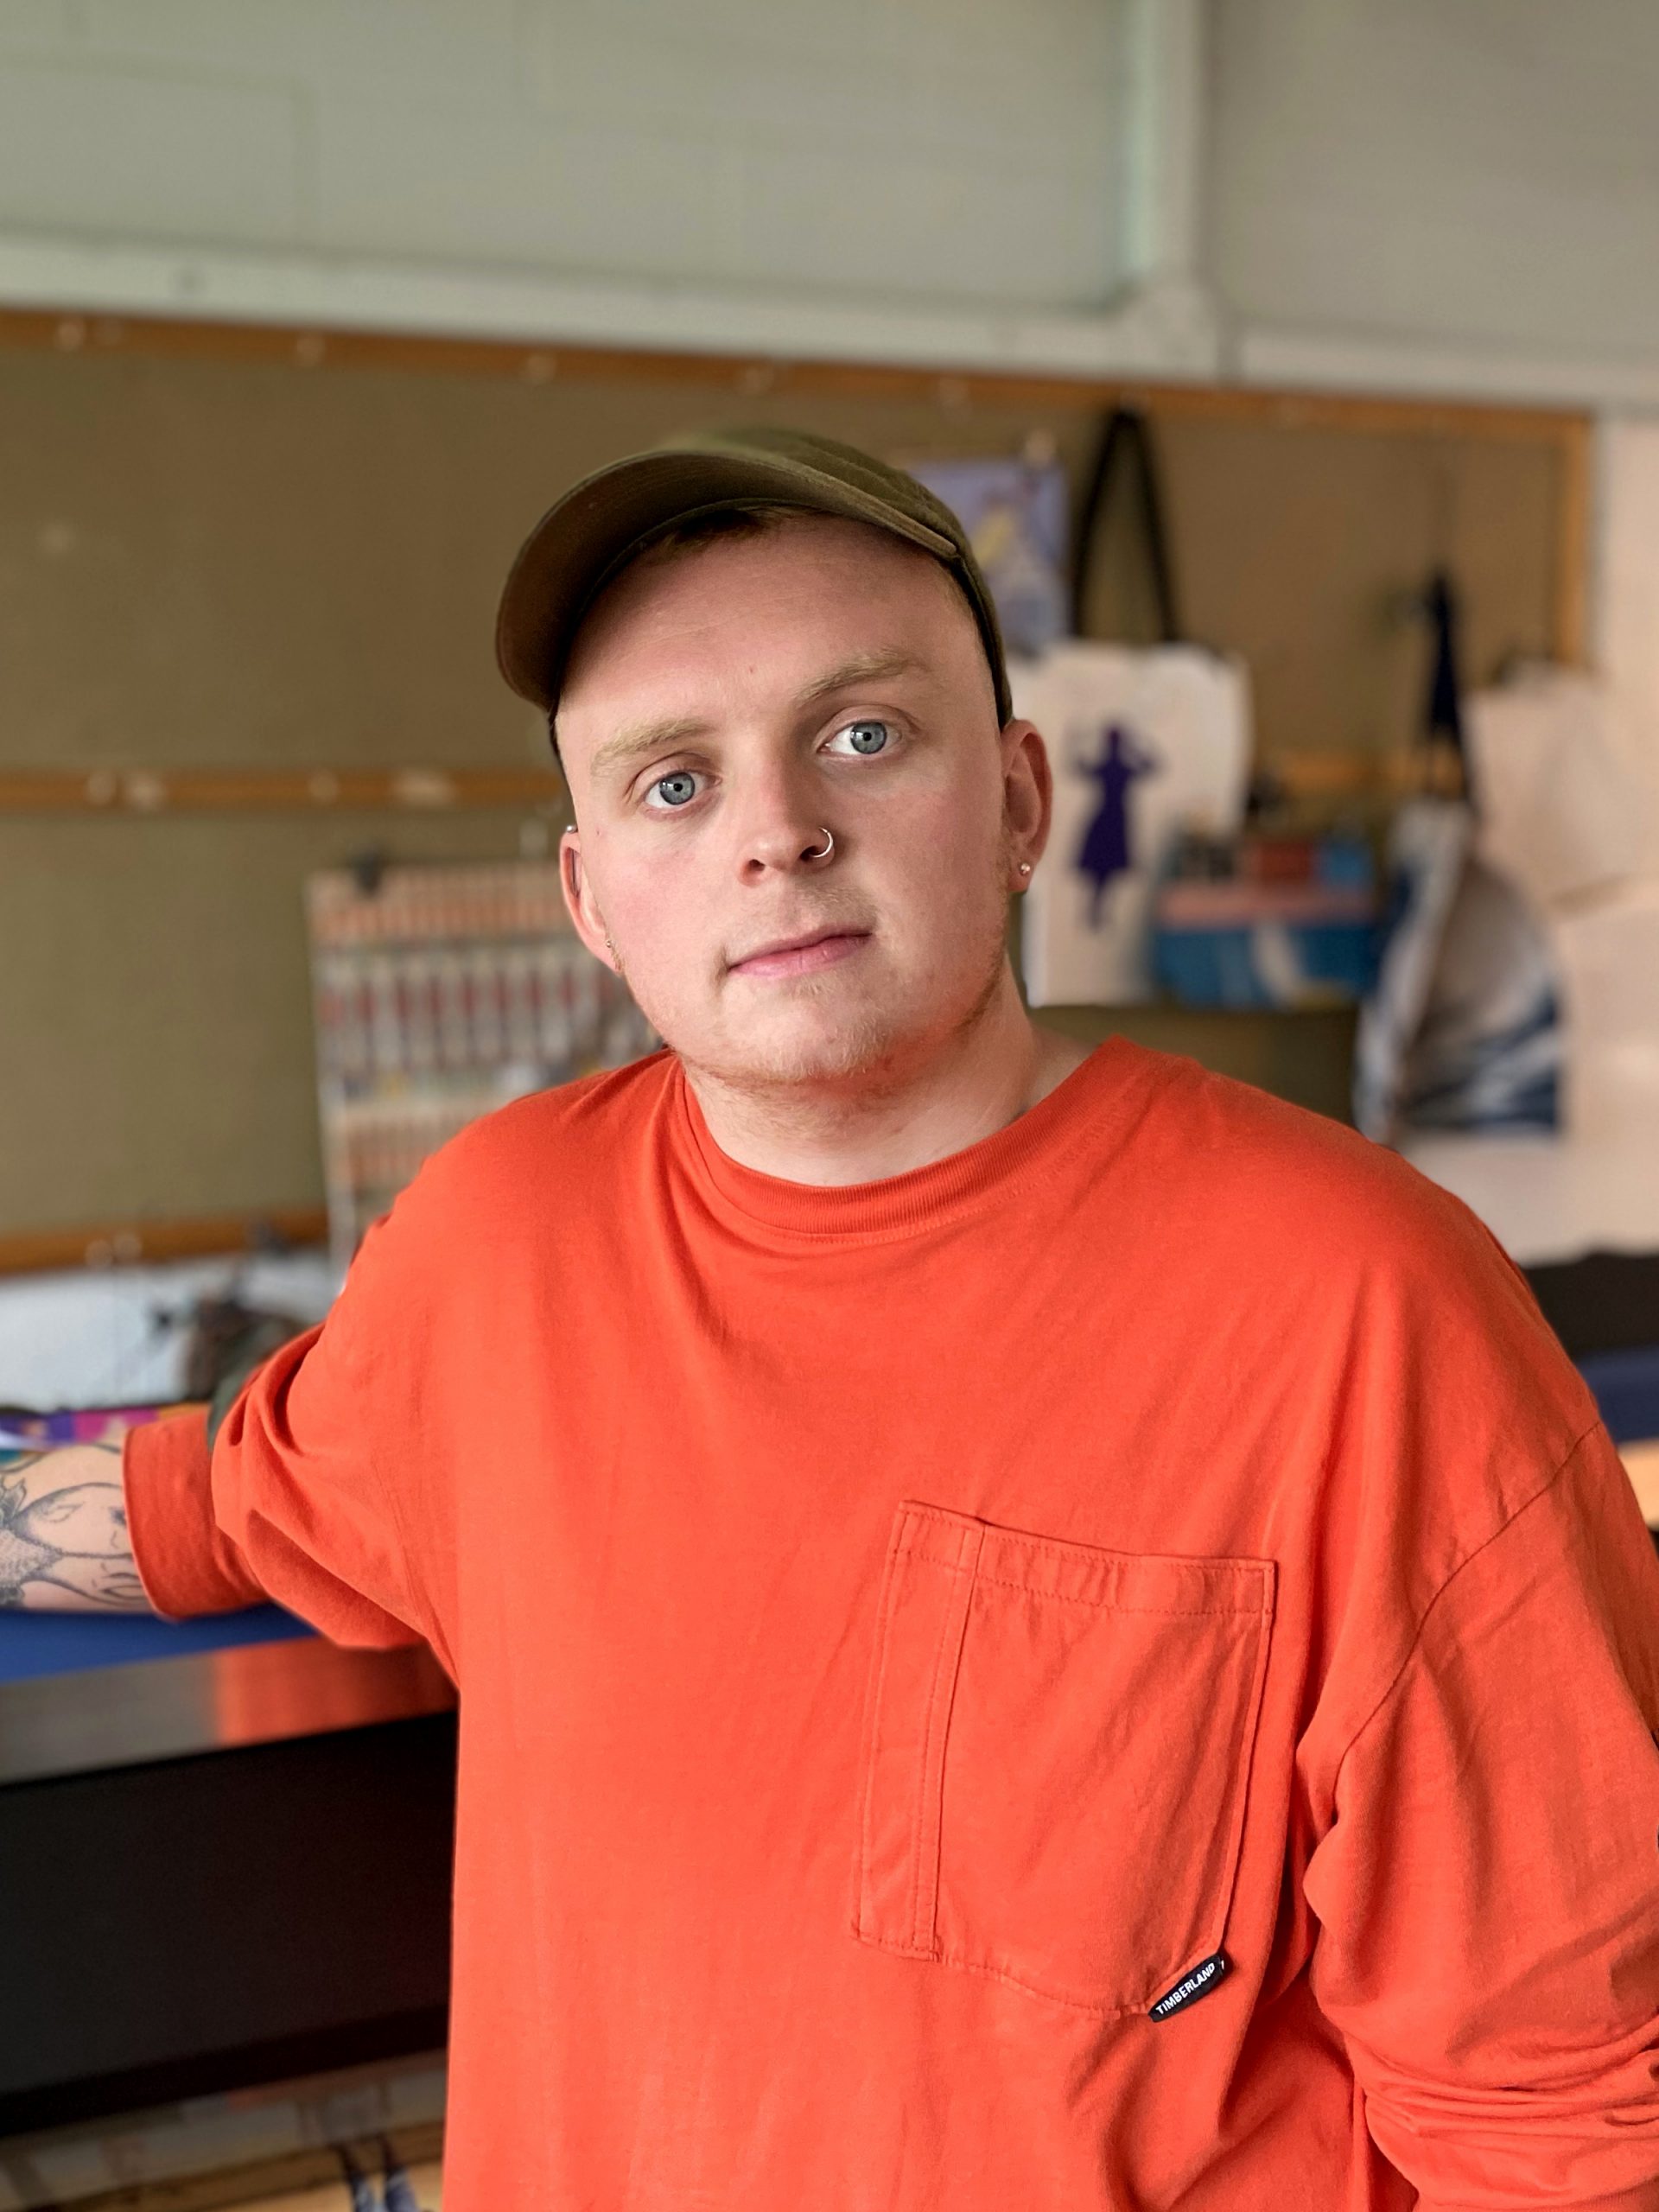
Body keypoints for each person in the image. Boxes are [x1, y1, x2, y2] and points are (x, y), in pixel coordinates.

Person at [14, 428, 1659, 2209]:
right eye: (670, 781)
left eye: (862, 734)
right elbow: (198, 1507)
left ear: (1022, 799)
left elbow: (1566, 2120)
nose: (776, 830)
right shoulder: (496, 1241)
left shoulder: (1366, 1308)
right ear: (590, 901)